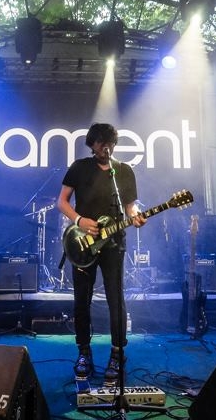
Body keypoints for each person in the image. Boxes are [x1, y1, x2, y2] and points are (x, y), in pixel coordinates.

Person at [57, 123, 146, 386]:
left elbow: (130, 207)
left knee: (115, 299)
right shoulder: (79, 167)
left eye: (109, 143)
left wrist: (135, 216)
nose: (105, 147)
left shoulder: (124, 171)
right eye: (100, 143)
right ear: (92, 144)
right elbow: (62, 201)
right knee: (81, 300)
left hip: (114, 245)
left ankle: (117, 354)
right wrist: (79, 220)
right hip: (84, 243)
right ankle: (84, 353)